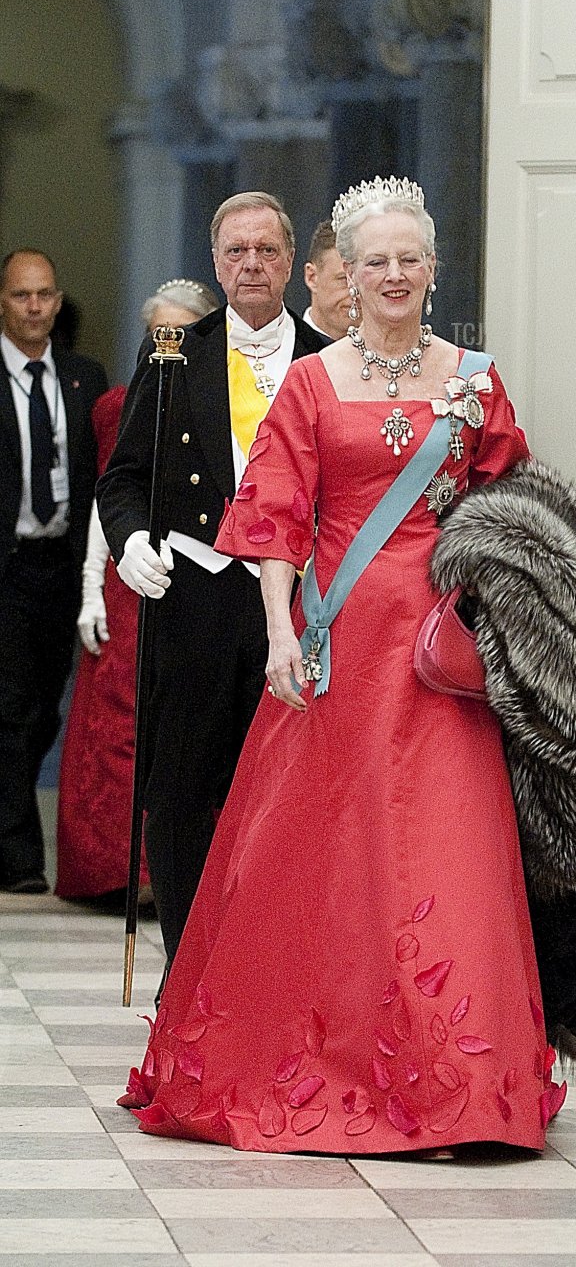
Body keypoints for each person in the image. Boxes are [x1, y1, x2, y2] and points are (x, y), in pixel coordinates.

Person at [118, 175, 564, 1156]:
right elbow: (276, 515)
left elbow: (512, 508)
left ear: (433, 269)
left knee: (447, 853)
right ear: (345, 276)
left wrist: (505, 604)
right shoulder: (314, 383)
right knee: (333, 859)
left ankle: (463, 1086)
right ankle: (334, 1061)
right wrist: (280, 629)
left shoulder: (474, 380)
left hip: (441, 653)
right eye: (375, 261)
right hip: (337, 645)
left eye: (410, 258)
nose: (394, 274)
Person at [96, 196, 327, 964]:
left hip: (297, 609)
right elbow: (123, 478)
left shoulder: (328, 359)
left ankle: (268, 970)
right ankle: (188, 969)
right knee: (184, 794)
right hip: (193, 599)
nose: (251, 264)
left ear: (290, 262)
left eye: (266, 249)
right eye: (236, 251)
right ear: (216, 261)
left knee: (289, 797)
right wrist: (130, 541)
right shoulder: (173, 354)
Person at [56, 280, 221, 901]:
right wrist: (91, 584)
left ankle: (180, 874)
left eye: (179, 333)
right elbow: (110, 494)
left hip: (202, 577)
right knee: (120, 721)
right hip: (131, 575)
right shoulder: (120, 404)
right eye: (157, 335)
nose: (167, 345)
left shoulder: (228, 399)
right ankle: (117, 871)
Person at [0, 250, 107, 894]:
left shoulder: (82, 377)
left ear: (59, 301)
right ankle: (18, 860)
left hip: (63, 563)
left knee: (44, 711)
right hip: (9, 563)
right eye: (21, 295)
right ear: (2, 302)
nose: (34, 306)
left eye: (44, 294)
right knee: (12, 709)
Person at [301, 219, 353, 339]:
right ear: (312, 277)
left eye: (364, 279)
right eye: (344, 280)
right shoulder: (283, 346)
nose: (356, 293)